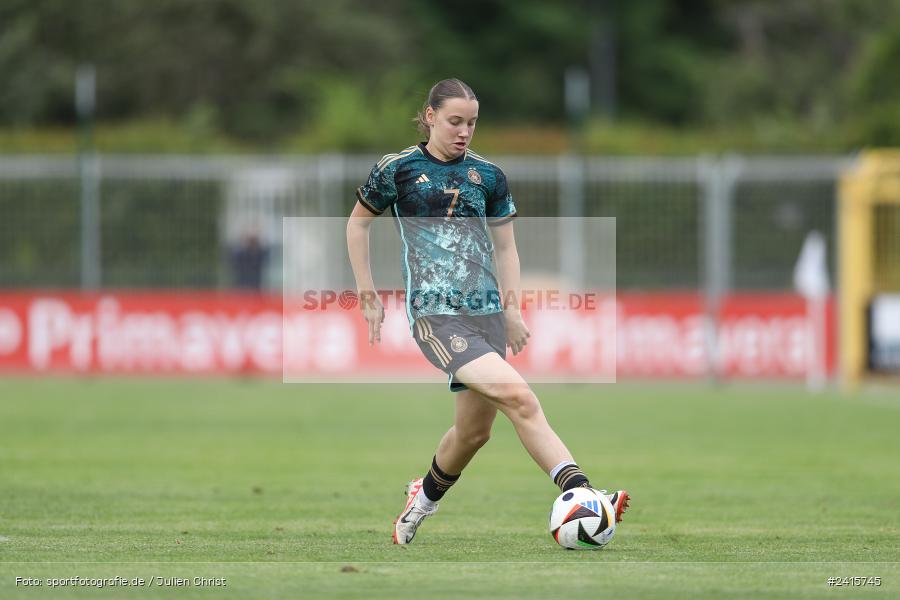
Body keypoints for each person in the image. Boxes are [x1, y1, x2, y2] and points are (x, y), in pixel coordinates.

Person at [346, 78, 628, 545]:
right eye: (455, 121)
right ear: (431, 116)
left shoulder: (489, 175)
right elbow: (357, 226)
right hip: (436, 316)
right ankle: (582, 492)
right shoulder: (396, 169)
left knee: (473, 433)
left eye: (472, 123)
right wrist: (367, 294)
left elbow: (506, 248)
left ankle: (422, 499)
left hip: (487, 315)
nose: (464, 131)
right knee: (520, 398)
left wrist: (513, 311)